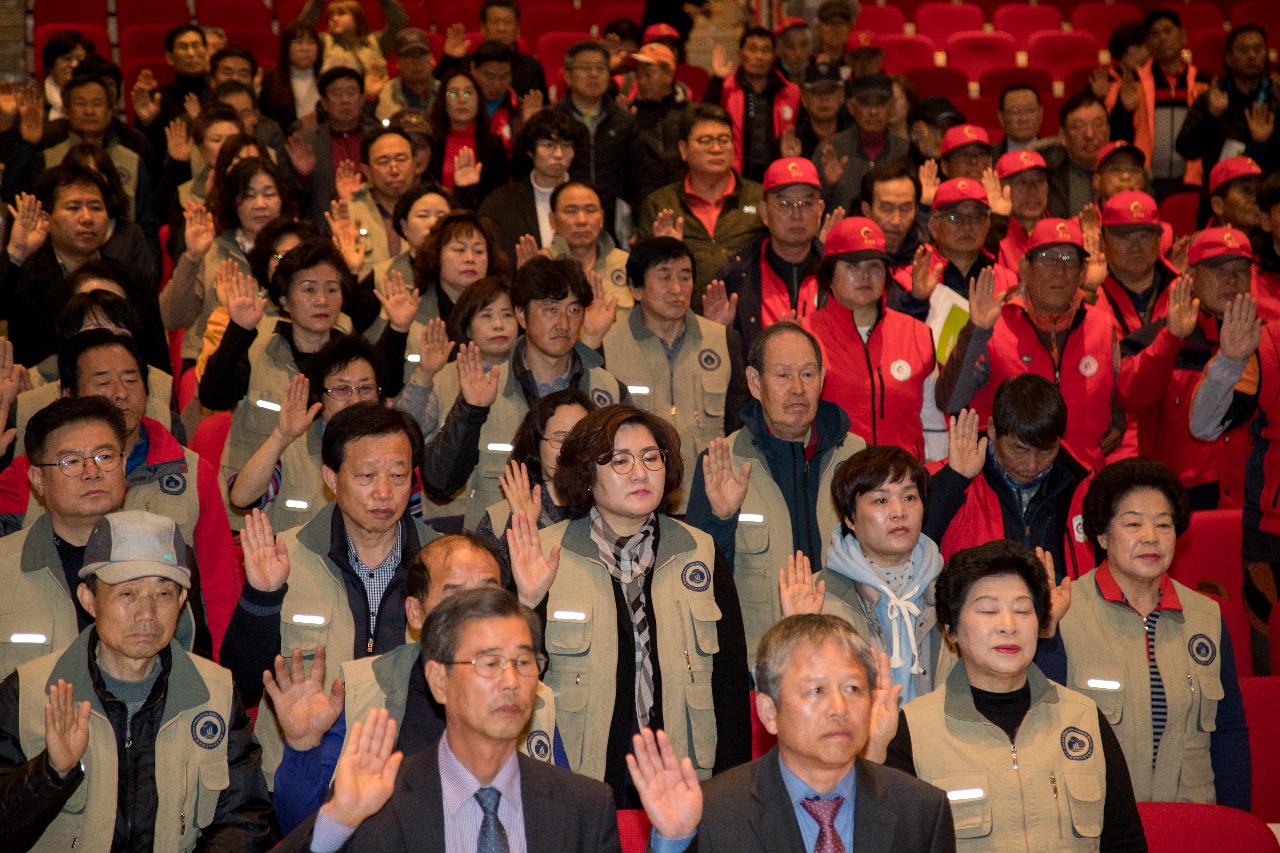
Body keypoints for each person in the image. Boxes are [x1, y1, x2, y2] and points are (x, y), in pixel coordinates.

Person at [0, 511, 277, 850]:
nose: (147, 613)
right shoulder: (28, 692)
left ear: (181, 601)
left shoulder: (214, 693)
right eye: (127, 594)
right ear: (89, 600)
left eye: (163, 594)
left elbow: (246, 817)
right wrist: (52, 773)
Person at [277, 588, 621, 851]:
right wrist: (338, 821)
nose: (512, 682)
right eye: (490, 664)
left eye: (524, 662)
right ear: (439, 681)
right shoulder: (382, 800)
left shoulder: (584, 806)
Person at [268, 533, 567, 834]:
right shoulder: (364, 690)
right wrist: (303, 746)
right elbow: (303, 829)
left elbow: (563, 824)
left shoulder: (531, 695)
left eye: (489, 594)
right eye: (456, 597)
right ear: (415, 613)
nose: (477, 613)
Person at [535, 404, 750, 805]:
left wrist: (729, 786)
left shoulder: (699, 552)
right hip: (580, 778)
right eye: (620, 461)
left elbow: (730, 681)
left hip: (684, 772)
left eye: (652, 458)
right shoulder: (546, 554)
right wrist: (528, 601)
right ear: (586, 475)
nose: (640, 473)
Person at [882, 539, 1146, 851]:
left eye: (1022, 610)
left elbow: (1125, 842)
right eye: (988, 610)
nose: (1008, 626)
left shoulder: (1084, 718)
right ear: (950, 629)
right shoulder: (913, 730)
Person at [627, 613, 955, 853]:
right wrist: (672, 842)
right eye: (816, 690)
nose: (839, 707)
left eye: (853, 688)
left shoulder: (921, 809)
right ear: (769, 712)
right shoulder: (714, 812)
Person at [1044, 458, 1251, 810]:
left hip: (1192, 818)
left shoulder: (1206, 618)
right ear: (1102, 535)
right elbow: (1040, 729)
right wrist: (1044, 636)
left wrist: (1234, 824)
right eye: (1133, 524)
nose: (1151, 537)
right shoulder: (1064, 612)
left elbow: (1229, 732)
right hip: (1097, 825)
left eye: (1163, 524)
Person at [685, 322, 867, 666]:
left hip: (846, 655)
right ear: (755, 383)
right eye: (783, 376)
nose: (798, 388)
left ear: (823, 378)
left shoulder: (857, 458)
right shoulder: (721, 462)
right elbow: (698, 580)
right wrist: (721, 520)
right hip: (758, 664)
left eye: (808, 374)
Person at [0, 396, 215, 680]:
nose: (92, 472)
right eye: (71, 461)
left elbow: (194, 667)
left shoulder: (169, 556)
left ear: (124, 465)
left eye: (105, 457)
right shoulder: (5, 567)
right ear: (38, 479)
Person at [426, 256, 626, 531]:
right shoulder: (484, 388)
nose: (563, 323)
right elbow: (440, 483)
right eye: (549, 309)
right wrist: (471, 411)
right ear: (521, 315)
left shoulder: (608, 391)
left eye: (573, 310)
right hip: (497, 550)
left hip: (587, 550)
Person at [202, 240, 409, 487]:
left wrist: (398, 330)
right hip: (255, 500)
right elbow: (213, 397)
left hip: (332, 496)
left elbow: (388, 390)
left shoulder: (354, 358)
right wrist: (238, 329)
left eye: (332, 290)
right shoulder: (257, 351)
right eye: (309, 289)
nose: (322, 300)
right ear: (284, 300)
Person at [937, 218, 1121, 472]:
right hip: (1008, 482)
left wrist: (1119, 422)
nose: (1059, 270)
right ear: (1024, 268)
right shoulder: (993, 324)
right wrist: (975, 332)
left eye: (1069, 260)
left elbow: (1119, 399)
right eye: (1047, 258)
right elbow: (950, 401)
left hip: (1083, 482)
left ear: (1082, 273)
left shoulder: (1102, 325)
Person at [602, 237, 749, 511]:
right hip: (633, 496)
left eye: (685, 276)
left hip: (709, 497)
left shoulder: (722, 340)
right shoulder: (608, 343)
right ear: (635, 288)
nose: (677, 289)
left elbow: (738, 424)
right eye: (664, 277)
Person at [227, 334, 416, 531]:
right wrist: (282, 436)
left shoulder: (396, 454)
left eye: (365, 388)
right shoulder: (292, 449)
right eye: (342, 389)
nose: (355, 400)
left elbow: (413, 528)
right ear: (320, 396)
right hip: (298, 560)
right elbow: (242, 498)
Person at [925, 377, 1094, 582]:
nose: (1032, 465)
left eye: (1045, 451)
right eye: (1020, 449)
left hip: (1063, 610)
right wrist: (954, 482)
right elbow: (911, 550)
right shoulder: (945, 479)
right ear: (993, 430)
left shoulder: (1083, 486)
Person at [2, 166, 165, 370]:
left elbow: (158, 362)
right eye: (73, 207)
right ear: (46, 218)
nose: (87, 218)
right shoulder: (26, 276)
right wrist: (16, 253)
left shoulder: (133, 281)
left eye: (96, 207)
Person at [1188, 287, 1278, 641]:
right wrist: (1228, 362)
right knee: (1270, 674)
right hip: (1272, 540)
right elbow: (1205, 425)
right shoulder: (1268, 345)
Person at [806, 217, 939, 457]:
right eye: (852, 265)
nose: (865, 275)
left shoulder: (917, 334)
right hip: (831, 486)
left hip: (903, 484)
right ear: (829, 275)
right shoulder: (805, 336)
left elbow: (933, 422)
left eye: (874, 266)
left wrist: (933, 477)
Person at [164, 157, 291, 367]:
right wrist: (192, 258)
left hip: (279, 365)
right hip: (212, 364)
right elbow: (172, 317)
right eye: (249, 196)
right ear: (233, 202)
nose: (260, 204)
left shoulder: (298, 248)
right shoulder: (212, 250)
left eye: (269, 194)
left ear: (282, 199)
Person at [637, 104, 765, 300]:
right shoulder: (660, 204)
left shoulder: (760, 198)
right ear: (683, 149)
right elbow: (641, 277)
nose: (716, 149)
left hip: (750, 314)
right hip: (684, 319)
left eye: (724, 140)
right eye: (705, 141)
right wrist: (664, 252)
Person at [714, 157, 825, 359]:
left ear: (820, 210)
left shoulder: (840, 272)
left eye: (807, 203)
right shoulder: (735, 275)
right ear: (764, 212)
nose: (796, 214)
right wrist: (717, 333)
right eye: (784, 204)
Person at [476, 389, 593, 578]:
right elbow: (493, 590)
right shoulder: (497, 519)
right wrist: (523, 525)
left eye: (581, 438)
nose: (570, 449)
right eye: (560, 438)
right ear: (536, 444)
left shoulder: (611, 510)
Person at [889, 177, 1019, 343]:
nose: (967, 226)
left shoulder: (1009, 281)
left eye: (976, 217)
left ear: (987, 225)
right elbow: (895, 343)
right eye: (954, 217)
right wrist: (916, 301)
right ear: (933, 226)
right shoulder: (908, 279)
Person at [1177, 25, 1279, 214]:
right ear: (1229, 58)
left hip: (1269, 204)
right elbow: (1185, 148)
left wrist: (1263, 141)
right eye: (1244, 49)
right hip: (1219, 203)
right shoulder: (1213, 97)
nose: (1251, 55)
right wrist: (1211, 116)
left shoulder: (1276, 97)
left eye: (1258, 49)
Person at [554, 40, 646, 242]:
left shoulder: (625, 122)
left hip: (615, 224)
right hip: (565, 221)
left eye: (600, 68)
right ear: (568, 76)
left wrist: (640, 223)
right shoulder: (552, 121)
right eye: (585, 68)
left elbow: (639, 179)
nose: (594, 74)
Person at [478, 109, 586, 263]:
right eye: (549, 145)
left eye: (566, 146)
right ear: (530, 151)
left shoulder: (589, 198)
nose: (559, 154)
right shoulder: (501, 202)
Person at [284, 67, 379, 225]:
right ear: (324, 103)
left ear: (362, 99)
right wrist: (303, 176)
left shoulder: (379, 138)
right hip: (322, 230)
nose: (345, 100)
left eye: (351, 93)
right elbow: (289, 197)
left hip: (375, 223)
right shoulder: (307, 142)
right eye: (337, 94)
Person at [704, 27, 801, 183]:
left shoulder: (791, 92)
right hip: (734, 176)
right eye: (753, 49)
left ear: (774, 56)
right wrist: (717, 80)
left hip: (779, 176)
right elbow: (704, 119)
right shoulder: (725, 86)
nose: (759, 56)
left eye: (766, 50)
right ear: (740, 53)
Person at [1141, 8, 1212, 200]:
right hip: (1145, 181)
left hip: (1191, 180)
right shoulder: (1136, 82)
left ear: (1182, 36)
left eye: (1167, 31)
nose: (1162, 38)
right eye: (1154, 34)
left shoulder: (1203, 81)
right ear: (1147, 43)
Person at [817, 73, 909, 212]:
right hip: (842, 232)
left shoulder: (906, 151)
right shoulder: (830, 150)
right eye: (865, 103)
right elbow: (809, 206)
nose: (873, 111)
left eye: (881, 103)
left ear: (891, 106)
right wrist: (827, 185)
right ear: (851, 107)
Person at [435, 0, 549, 101]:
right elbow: (439, 96)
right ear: (483, 28)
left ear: (517, 29)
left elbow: (543, 108)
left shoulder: (531, 67)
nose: (501, 28)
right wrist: (450, 59)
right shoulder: (465, 63)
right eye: (495, 22)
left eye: (507, 22)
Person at [292, 0, 407, 97]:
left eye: (341, 14)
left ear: (357, 18)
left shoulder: (376, 42)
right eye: (331, 16)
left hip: (376, 105)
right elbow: (302, 29)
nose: (334, 18)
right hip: (338, 104)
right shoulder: (323, 42)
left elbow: (399, 22)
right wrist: (317, 2)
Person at [425, 69, 510, 199]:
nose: (461, 100)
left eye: (468, 93)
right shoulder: (431, 142)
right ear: (443, 101)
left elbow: (499, 195)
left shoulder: (493, 145)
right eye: (453, 94)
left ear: (479, 100)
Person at [546, 181, 633, 307]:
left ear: (602, 218)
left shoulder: (626, 263)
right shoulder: (543, 266)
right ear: (552, 220)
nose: (582, 220)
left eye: (590, 210)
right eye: (571, 211)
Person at [345, 127, 417, 274]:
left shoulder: (434, 207)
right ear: (367, 171)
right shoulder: (349, 212)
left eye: (401, 159)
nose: (394, 170)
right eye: (383, 161)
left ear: (414, 164)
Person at [1043, 91, 1112, 218]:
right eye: (1078, 126)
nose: (1089, 134)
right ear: (1063, 136)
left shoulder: (1130, 169)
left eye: (1098, 125)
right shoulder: (1046, 175)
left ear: (1108, 132)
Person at [860, 158, 926, 271]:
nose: (896, 221)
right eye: (887, 209)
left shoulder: (925, 258)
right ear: (867, 210)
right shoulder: (850, 259)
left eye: (905, 209)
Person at [993, 149, 1051, 272]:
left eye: (1039, 180)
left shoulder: (1062, 233)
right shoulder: (991, 240)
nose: (1032, 190)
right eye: (1021, 182)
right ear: (999, 188)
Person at [259, 22, 324, 130]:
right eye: (298, 42)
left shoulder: (326, 79)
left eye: (311, 42)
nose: (305, 48)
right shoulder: (270, 79)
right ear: (286, 47)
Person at [376, 27, 437, 120]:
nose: (416, 62)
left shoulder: (444, 91)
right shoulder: (385, 95)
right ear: (398, 62)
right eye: (409, 55)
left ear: (431, 59)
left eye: (422, 54)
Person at [38, 29, 91, 122]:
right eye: (67, 58)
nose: (74, 65)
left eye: (80, 60)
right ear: (51, 64)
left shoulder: (97, 93)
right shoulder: (34, 96)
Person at [1207, 155, 1263, 232]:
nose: (1256, 198)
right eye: (1246, 190)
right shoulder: (1203, 243)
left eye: (1259, 190)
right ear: (1218, 205)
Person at [994, 84, 1048, 157]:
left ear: (1040, 114)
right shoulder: (988, 158)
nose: (1023, 119)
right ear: (1001, 117)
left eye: (1030, 110)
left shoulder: (1058, 157)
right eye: (1015, 112)